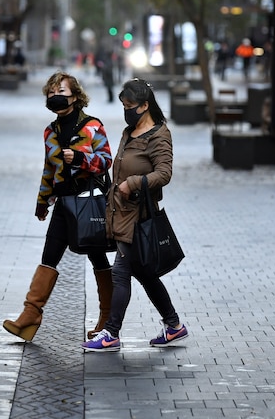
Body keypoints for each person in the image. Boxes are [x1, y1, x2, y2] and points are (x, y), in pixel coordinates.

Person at [3, 71, 114, 342]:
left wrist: (79, 157)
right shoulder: (50, 131)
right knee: (49, 256)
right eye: (51, 93)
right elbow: (48, 169)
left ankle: (107, 319)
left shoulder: (92, 126)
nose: (55, 97)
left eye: (61, 92)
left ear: (75, 96)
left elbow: (106, 159)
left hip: (88, 202)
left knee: (97, 257)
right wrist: (43, 202)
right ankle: (30, 315)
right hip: (63, 204)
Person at [83, 78, 187, 352]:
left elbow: (164, 174)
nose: (126, 111)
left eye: (130, 106)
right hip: (121, 211)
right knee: (145, 274)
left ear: (144, 105)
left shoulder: (158, 134)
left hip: (139, 214)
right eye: (123, 106)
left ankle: (111, 333)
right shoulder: (129, 132)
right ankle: (174, 326)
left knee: (120, 272)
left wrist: (135, 183)